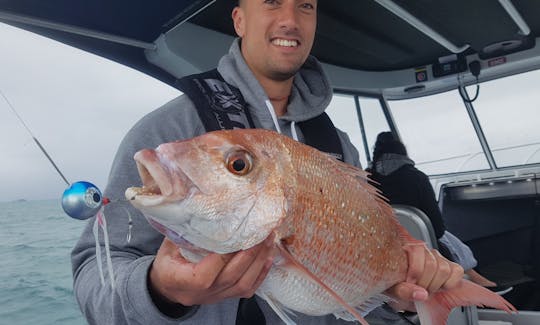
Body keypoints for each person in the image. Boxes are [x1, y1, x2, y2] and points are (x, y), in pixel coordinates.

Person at [71, 1, 464, 324]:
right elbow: (95, 274)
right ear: (239, 19)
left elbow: (351, 297)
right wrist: (161, 291)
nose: (290, 20)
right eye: (272, 2)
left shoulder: (336, 144)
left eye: (305, 6)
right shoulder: (169, 131)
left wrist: (400, 297)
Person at [367, 131, 501, 290]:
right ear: (402, 151)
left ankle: (477, 281)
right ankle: (479, 282)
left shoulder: (366, 179)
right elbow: (437, 229)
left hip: (381, 245)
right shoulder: (416, 178)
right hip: (420, 244)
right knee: (452, 243)